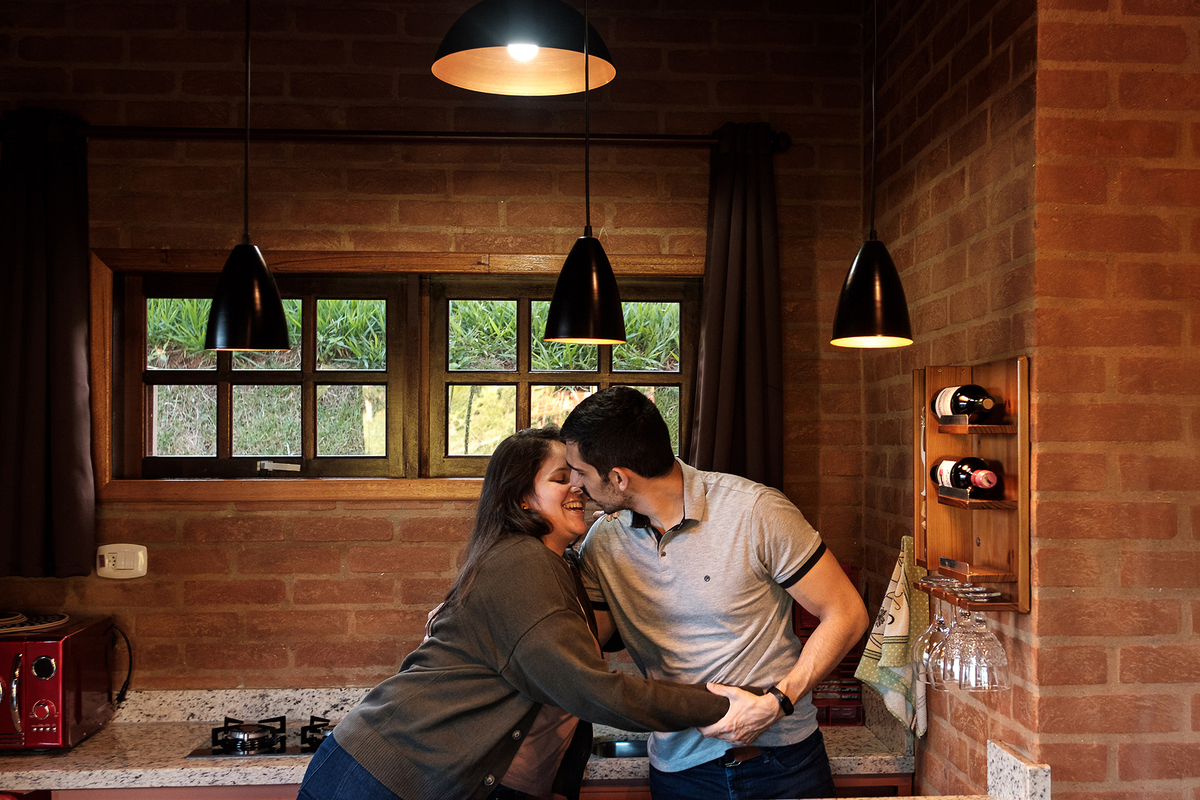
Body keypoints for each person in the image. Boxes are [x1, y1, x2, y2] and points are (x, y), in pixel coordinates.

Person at [297, 426, 754, 800]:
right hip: (382, 777)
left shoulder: (559, 567)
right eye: (561, 478)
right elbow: (590, 690)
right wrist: (727, 703)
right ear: (522, 498)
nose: (579, 486)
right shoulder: (522, 564)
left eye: (579, 475)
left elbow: (566, 685)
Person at [561, 387, 870, 800]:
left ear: (618, 478)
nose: (575, 484)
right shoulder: (604, 540)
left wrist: (779, 701)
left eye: (580, 472)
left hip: (784, 763)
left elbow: (848, 613)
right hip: (680, 774)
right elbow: (587, 641)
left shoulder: (756, 511)